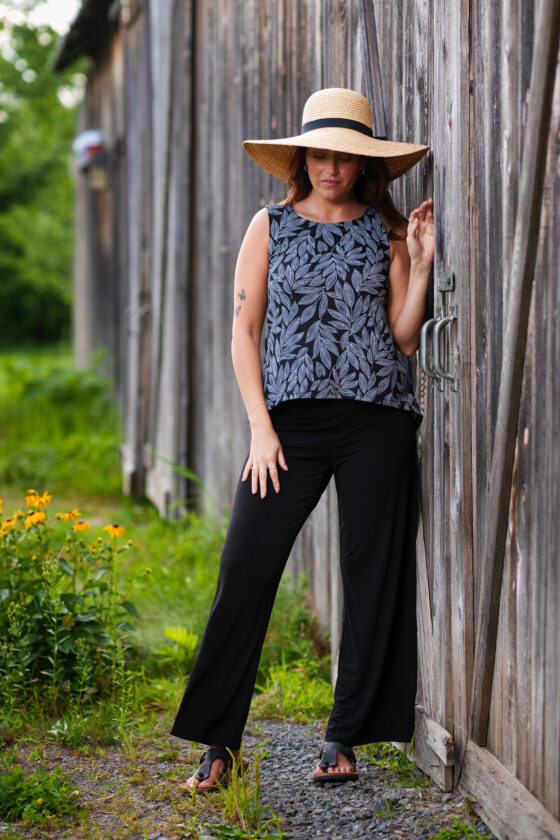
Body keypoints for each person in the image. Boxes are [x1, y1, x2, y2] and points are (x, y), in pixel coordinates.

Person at [171, 87, 433, 791]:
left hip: (378, 416)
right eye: (320, 153)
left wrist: (423, 259)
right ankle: (218, 744)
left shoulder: (386, 229)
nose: (330, 167)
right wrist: (260, 426)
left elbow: (404, 339)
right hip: (287, 425)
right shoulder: (270, 225)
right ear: (302, 156)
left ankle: (344, 739)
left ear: (362, 164)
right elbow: (244, 332)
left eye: (344, 157)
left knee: (373, 579)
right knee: (246, 571)